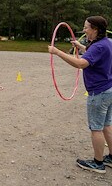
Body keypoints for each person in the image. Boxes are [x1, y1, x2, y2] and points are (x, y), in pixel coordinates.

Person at [48, 16, 112, 173]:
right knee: (106, 125)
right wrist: (81, 47)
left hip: (99, 92)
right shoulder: (105, 43)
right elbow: (95, 54)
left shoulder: (98, 47)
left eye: (86, 28)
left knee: (96, 128)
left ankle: (98, 163)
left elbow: (80, 64)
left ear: (95, 29)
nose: (84, 30)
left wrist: (57, 52)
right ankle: (111, 156)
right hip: (109, 90)